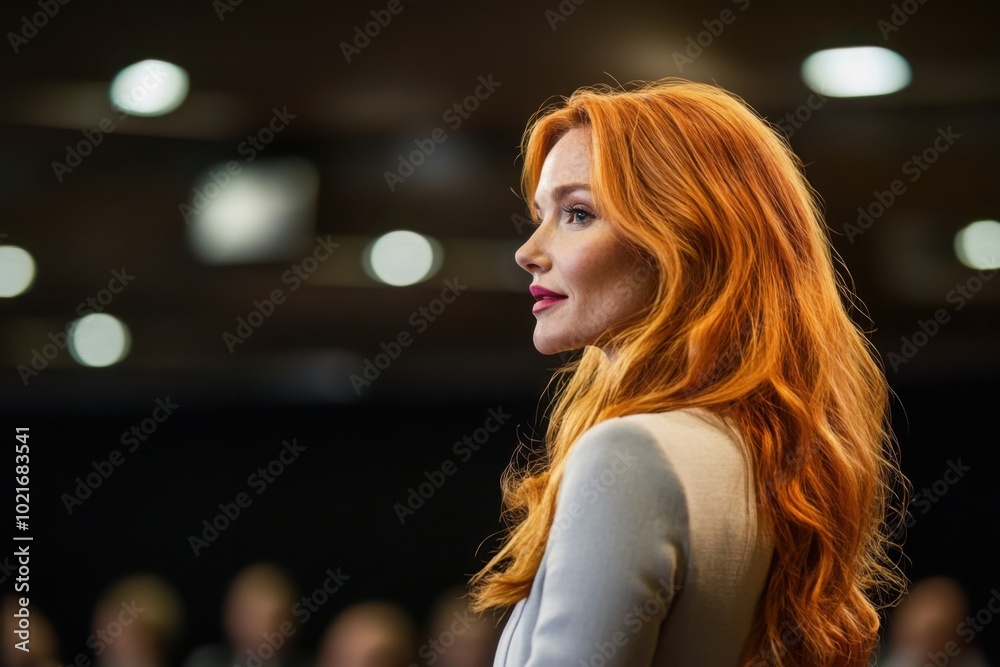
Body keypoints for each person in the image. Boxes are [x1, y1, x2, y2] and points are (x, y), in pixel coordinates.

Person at [467, 78, 909, 666]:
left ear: (685, 238)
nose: (529, 250)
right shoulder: (761, 456)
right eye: (540, 214)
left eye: (576, 213)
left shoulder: (630, 454)